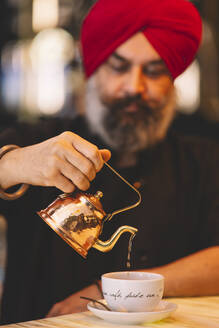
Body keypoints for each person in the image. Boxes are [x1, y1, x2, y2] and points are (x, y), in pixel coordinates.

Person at [0, 0, 219, 324]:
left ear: (173, 78)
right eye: (119, 67)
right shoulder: (37, 140)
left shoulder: (203, 160)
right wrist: (15, 164)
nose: (135, 87)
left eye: (155, 70)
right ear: (93, 69)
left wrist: (113, 290)